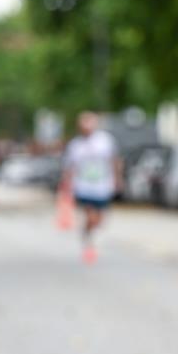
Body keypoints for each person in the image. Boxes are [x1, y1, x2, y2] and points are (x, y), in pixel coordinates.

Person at [61, 111, 122, 263]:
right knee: (90, 215)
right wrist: (67, 185)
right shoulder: (75, 145)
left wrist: (117, 179)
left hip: (102, 185)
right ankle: (89, 243)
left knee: (99, 219)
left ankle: (88, 232)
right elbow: (70, 167)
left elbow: (114, 160)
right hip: (83, 186)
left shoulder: (105, 141)